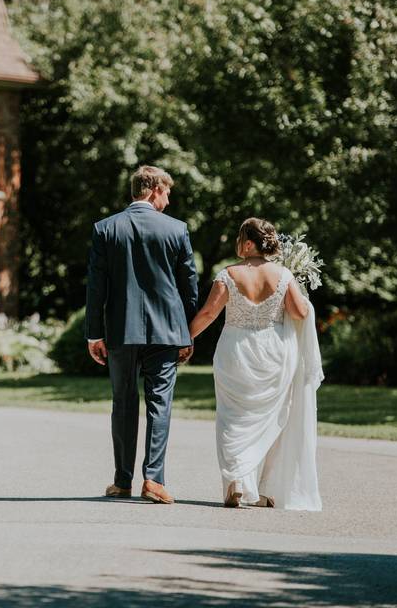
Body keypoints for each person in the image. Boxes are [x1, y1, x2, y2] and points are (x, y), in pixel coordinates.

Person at [189, 218, 323, 511]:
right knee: (270, 419)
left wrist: (186, 338)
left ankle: (237, 482)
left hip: (236, 352)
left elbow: (210, 312)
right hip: (274, 354)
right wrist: (302, 298)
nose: (237, 245)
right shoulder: (284, 275)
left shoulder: (228, 274)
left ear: (248, 244)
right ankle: (258, 488)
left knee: (233, 418)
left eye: (239, 239)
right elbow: (300, 313)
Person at [85, 165, 199, 504]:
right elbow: (189, 287)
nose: (168, 199)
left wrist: (94, 334)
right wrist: (187, 333)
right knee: (160, 404)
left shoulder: (106, 229)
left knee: (122, 403)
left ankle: (122, 481)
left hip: (121, 330)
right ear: (153, 190)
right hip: (167, 332)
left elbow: (96, 287)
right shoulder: (177, 230)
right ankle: (154, 480)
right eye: (167, 192)